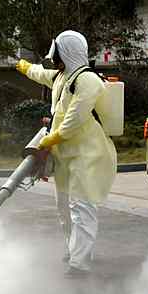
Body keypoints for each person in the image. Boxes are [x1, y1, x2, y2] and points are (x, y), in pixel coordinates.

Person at [16, 30, 118, 276]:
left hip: (88, 153)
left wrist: (50, 139)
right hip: (63, 153)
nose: (54, 59)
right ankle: (76, 249)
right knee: (63, 207)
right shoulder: (62, 77)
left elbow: (75, 117)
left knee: (81, 205)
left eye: (58, 54)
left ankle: (79, 262)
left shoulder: (88, 80)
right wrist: (23, 66)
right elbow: (42, 74)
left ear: (67, 52)